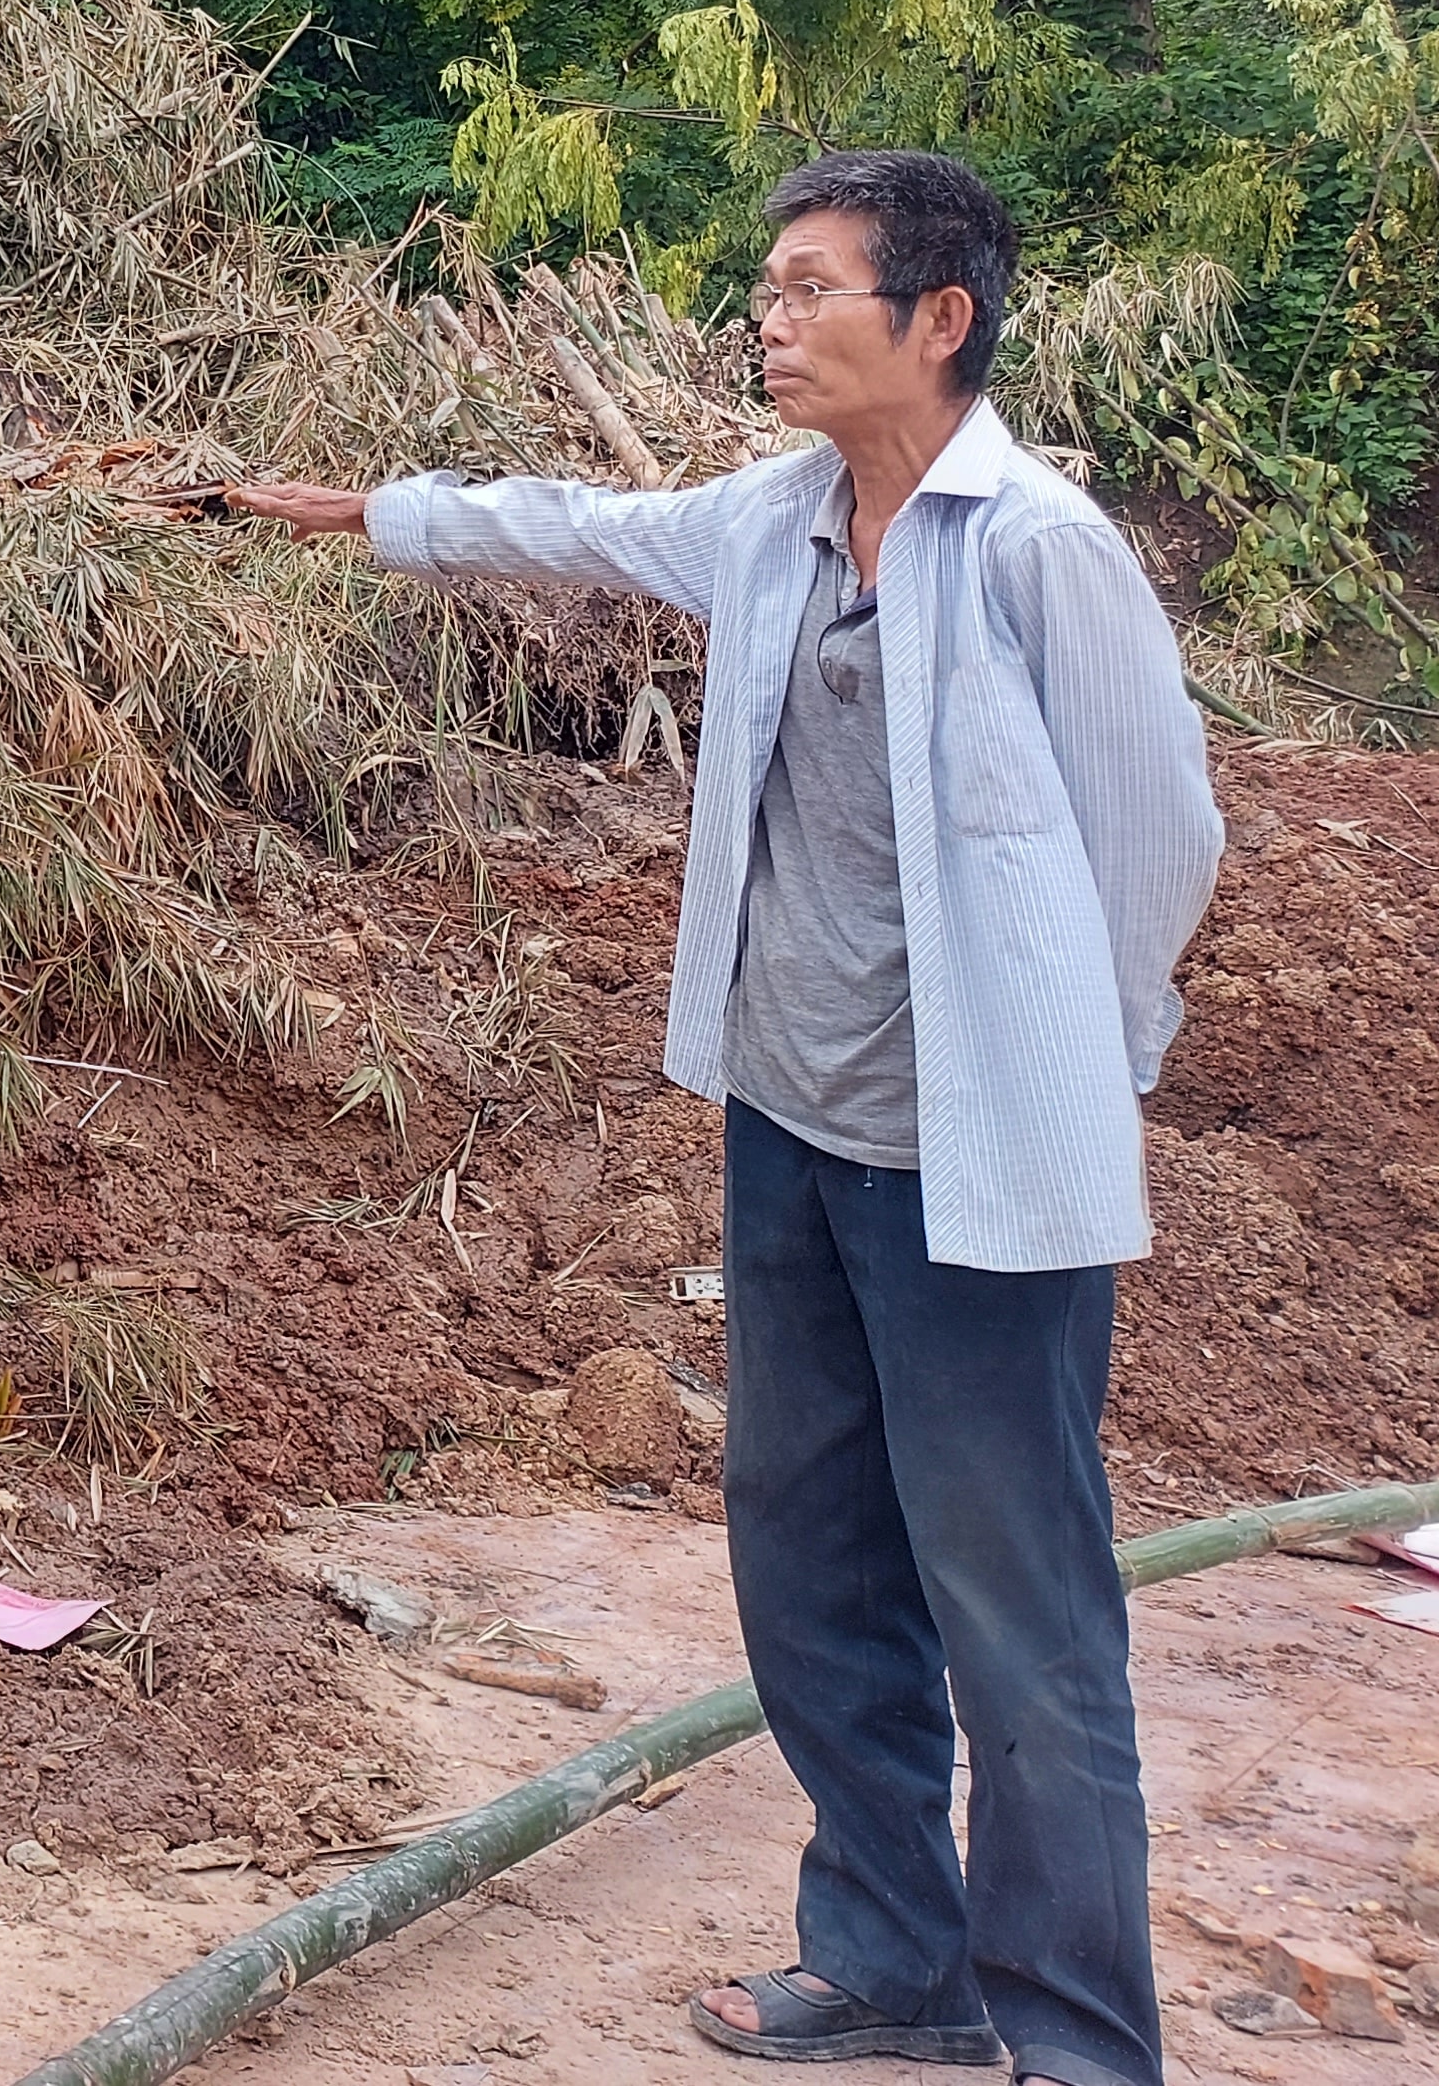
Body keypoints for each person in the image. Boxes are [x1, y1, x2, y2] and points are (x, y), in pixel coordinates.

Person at [230, 150, 1220, 2086]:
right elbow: (574, 526)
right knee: (807, 1561)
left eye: (803, 288)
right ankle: (886, 1961)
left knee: (1015, 1616)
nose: (764, 322)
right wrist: (363, 512)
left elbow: (1155, 837)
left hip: (979, 1171)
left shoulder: (1030, 546)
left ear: (933, 319)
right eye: (760, 291)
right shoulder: (769, 525)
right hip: (784, 1126)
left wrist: (1060, 1084)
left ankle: (1082, 2047)